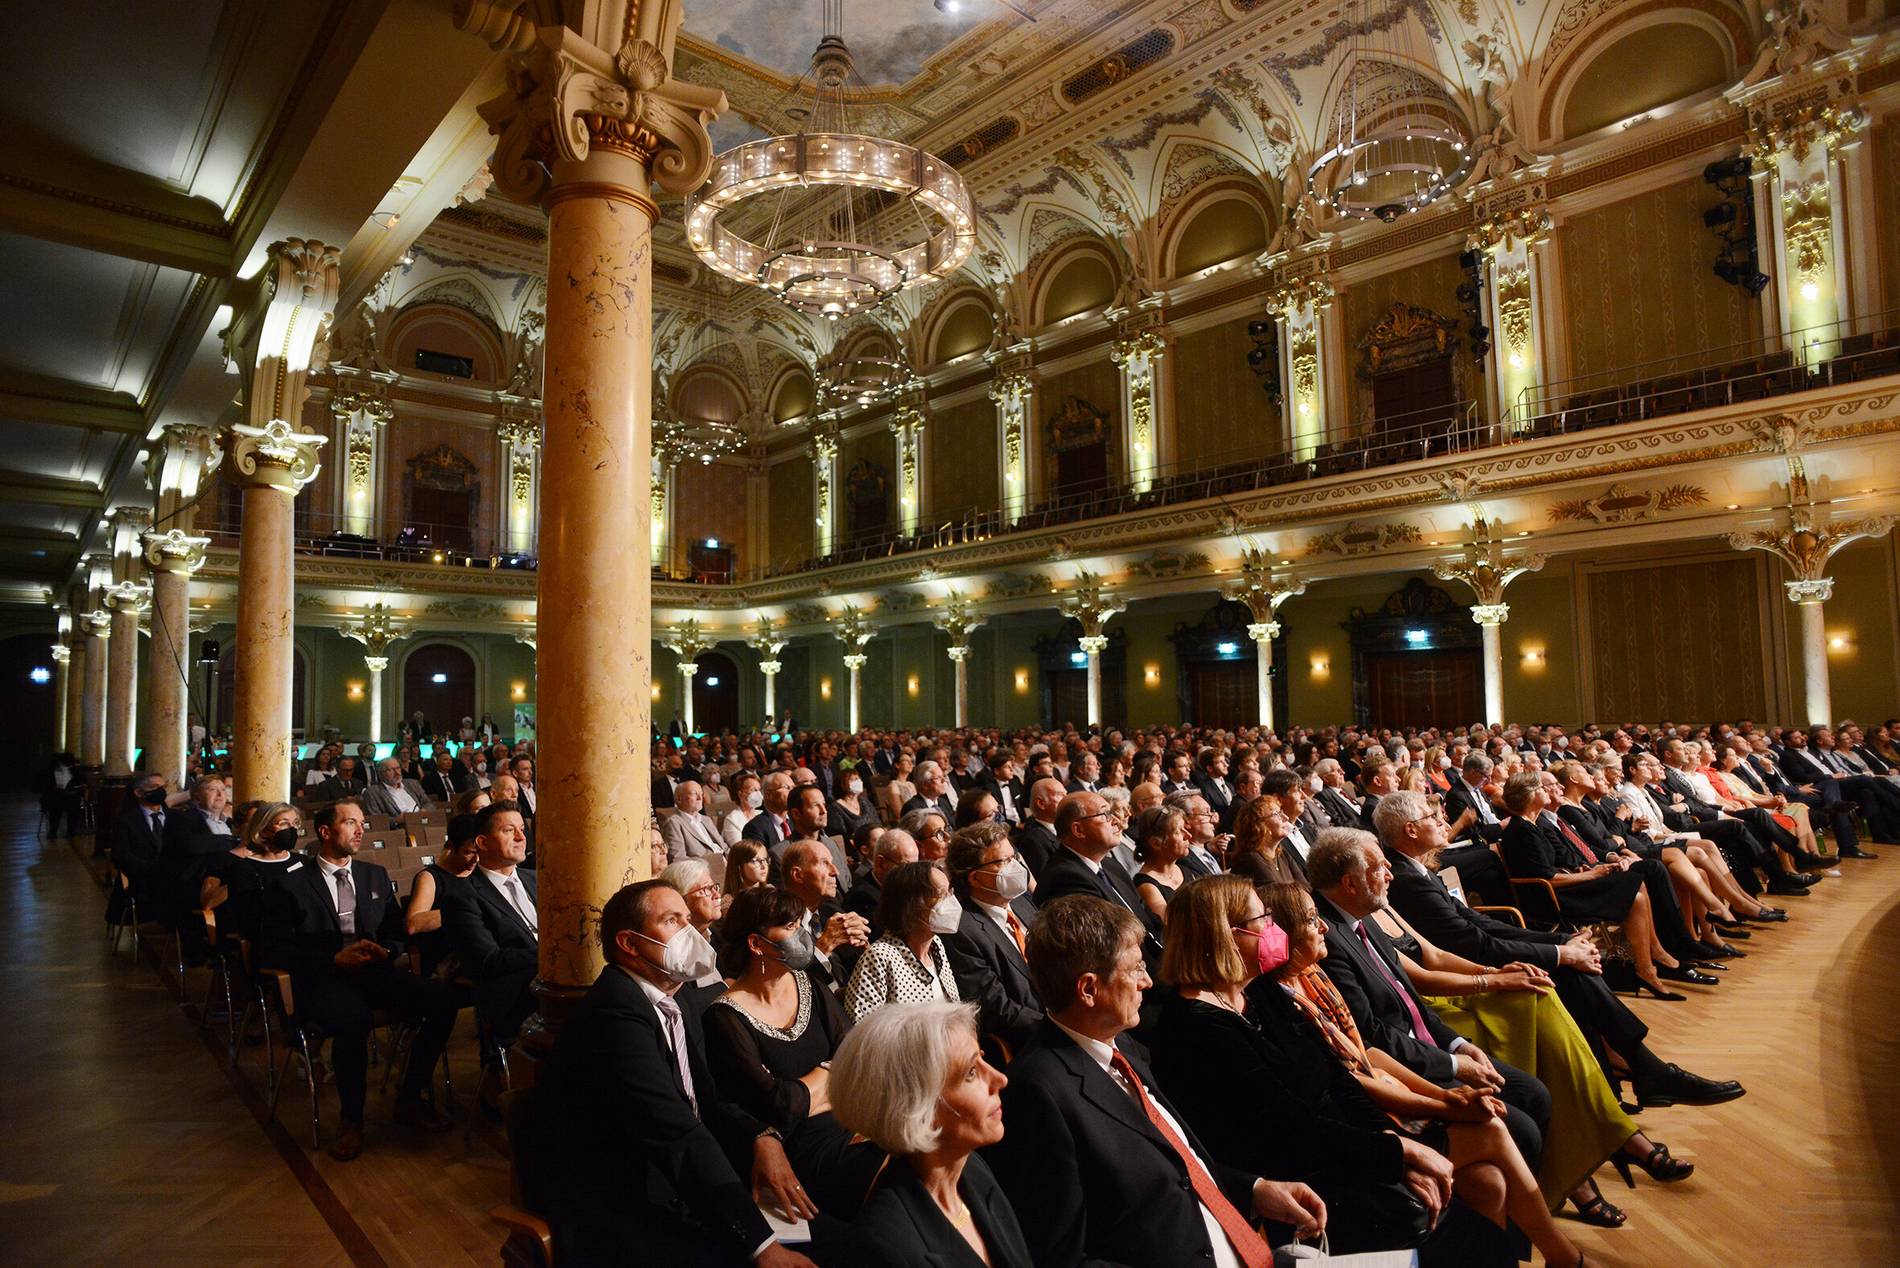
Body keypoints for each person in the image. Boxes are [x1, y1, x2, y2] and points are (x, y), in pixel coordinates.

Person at [1255, 882, 1585, 1268]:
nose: (1324, 927)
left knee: (1490, 1181)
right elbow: (1350, 1081)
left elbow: (1368, 1053)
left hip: (1388, 1089)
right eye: (1312, 921)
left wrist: (1448, 1095)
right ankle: (1563, 1256)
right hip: (1361, 1123)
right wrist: (1444, 1101)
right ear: (1284, 934)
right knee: (1496, 1129)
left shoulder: (1312, 975)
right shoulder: (1279, 999)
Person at [987, 894, 1326, 1267]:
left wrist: (1255, 1190)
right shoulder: (1038, 1092)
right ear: (1088, 989)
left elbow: (1176, 1170)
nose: (1148, 981)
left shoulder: (1124, 1049)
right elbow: (1061, 1257)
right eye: (1134, 970)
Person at [1149, 874, 1469, 1261]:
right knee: (1447, 1208)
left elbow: (1335, 1075)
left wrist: (1389, 1136)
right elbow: (1290, 1126)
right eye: (1263, 920)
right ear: (1228, 935)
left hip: (1341, 1146)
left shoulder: (1258, 988)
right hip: (1297, 1180)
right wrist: (1396, 1155)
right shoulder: (1194, 1028)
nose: (1273, 928)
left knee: (1482, 1183)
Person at [1373, 789, 1744, 1110]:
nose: (1443, 820)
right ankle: (1636, 1073)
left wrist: (1560, 942)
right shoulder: (1408, 880)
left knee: (1573, 963)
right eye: (1432, 816)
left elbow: (1478, 924)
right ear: (1410, 830)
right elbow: (1471, 943)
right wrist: (1558, 954)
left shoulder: (1416, 870)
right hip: (1464, 971)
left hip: (1474, 955)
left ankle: (1625, 1076)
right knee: (1567, 970)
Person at [532, 881, 816, 1267]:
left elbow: (704, 1098)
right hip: (620, 1198)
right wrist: (763, 1247)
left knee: (821, 1226)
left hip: (677, 1178)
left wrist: (761, 1137)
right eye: (671, 920)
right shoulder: (614, 1013)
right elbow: (673, 1129)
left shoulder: (676, 996)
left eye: (686, 917)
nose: (688, 930)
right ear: (630, 944)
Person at [255, 800, 457, 1161]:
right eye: (351, 823)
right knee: (354, 1019)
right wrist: (333, 958)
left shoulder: (372, 875)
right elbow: (273, 952)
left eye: (363, 822)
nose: (361, 830)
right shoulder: (291, 885)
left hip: (374, 971)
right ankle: (351, 1121)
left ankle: (409, 1097)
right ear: (326, 832)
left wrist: (386, 949)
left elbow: (396, 931)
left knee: (443, 999)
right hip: (323, 978)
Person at [705, 887, 886, 1228]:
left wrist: (808, 1090)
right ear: (757, 944)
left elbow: (854, 1056)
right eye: (789, 927)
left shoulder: (809, 984)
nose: (802, 935)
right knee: (892, 1170)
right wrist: (830, 1079)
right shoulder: (725, 1015)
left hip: (853, 1118)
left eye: (800, 923)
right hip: (799, 1145)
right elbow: (779, 1105)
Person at [829, 1002, 1032, 1268]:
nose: (999, 1079)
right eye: (971, 1072)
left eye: (983, 1058)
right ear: (917, 1107)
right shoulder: (885, 1247)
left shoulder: (972, 1169)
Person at [1498, 772, 1698, 999]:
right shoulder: (1523, 829)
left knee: (1636, 886)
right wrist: (1593, 874)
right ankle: (1648, 967)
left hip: (1562, 887)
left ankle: (1652, 959)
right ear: (1530, 795)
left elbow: (1550, 868)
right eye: (1542, 788)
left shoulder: (1530, 825)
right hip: (1550, 899)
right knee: (1635, 890)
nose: (1548, 791)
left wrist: (1579, 871)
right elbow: (1547, 878)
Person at [442, 801, 538, 1045]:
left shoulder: (539, 879)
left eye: (521, 829)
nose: (520, 837)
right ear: (482, 843)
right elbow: (489, 961)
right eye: (508, 830)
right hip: (515, 995)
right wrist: (551, 955)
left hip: (556, 983)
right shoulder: (462, 895)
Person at [943, 821, 1042, 1054]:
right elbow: (997, 1009)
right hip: (1031, 1041)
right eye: (1001, 862)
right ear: (975, 878)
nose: (1015, 867)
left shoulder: (1021, 902)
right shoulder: (960, 931)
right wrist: (1059, 1027)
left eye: (1013, 857)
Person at [1038, 791, 1164, 971]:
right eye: (1105, 814)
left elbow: (1146, 917)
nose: (1116, 821)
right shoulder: (1065, 879)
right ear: (1078, 830)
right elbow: (1108, 946)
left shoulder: (1111, 865)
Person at [842, 861, 962, 1021]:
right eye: (940, 894)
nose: (951, 902)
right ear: (911, 904)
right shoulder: (879, 957)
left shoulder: (936, 945)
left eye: (950, 892)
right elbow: (860, 1033)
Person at [404, 812, 482, 980]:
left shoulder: (480, 872)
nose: (476, 859)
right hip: (447, 959)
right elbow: (413, 924)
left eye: (480, 852)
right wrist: (464, 911)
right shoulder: (430, 878)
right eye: (469, 852)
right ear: (451, 847)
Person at [839, 827, 915, 934]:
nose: (913, 875)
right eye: (906, 867)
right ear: (880, 863)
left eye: (915, 866)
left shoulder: (902, 889)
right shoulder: (862, 899)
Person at [1131, 802, 1191, 924]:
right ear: (1156, 843)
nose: (1188, 835)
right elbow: (1173, 927)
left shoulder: (1185, 870)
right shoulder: (1146, 886)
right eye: (1178, 832)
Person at [663, 778, 728, 864]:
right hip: (705, 870)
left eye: (701, 794)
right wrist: (716, 861)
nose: (699, 798)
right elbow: (678, 860)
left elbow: (724, 848)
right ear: (679, 799)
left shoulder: (706, 820)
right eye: (694, 794)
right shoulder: (674, 823)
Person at [826, 765, 880, 843]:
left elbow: (878, 823)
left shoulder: (865, 802)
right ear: (842, 784)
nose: (858, 782)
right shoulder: (835, 808)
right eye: (853, 779)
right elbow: (841, 837)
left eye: (858, 778)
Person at [360, 757, 427, 818]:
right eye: (391, 770)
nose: (397, 772)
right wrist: (396, 820)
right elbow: (376, 819)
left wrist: (424, 810)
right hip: (400, 828)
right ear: (381, 773)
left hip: (422, 821)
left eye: (398, 768)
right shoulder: (372, 792)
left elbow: (428, 803)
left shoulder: (412, 783)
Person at [722, 840, 772, 916]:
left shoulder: (771, 891)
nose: (764, 866)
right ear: (739, 867)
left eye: (765, 860)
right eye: (755, 861)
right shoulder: (730, 902)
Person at [725, 772, 765, 846]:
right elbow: (740, 848)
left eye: (759, 790)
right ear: (740, 794)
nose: (758, 794)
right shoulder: (732, 819)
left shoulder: (762, 814)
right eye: (753, 790)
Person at [881, 751, 918, 824]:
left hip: (916, 818)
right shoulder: (893, 785)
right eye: (906, 761)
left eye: (911, 761)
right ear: (897, 765)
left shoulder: (911, 784)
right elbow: (899, 813)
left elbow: (917, 805)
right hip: (905, 822)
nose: (910, 764)